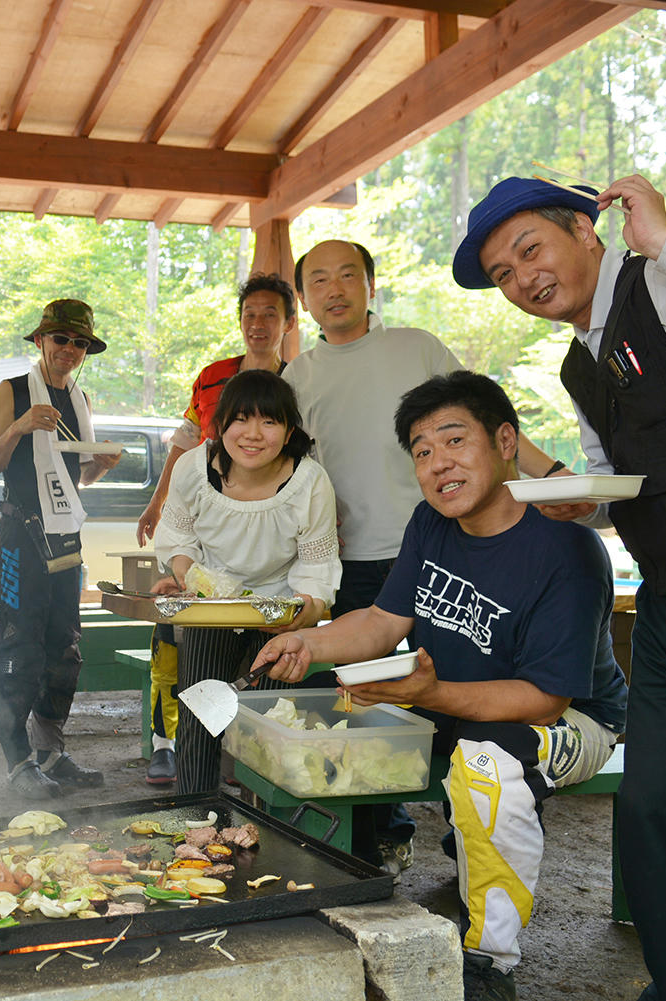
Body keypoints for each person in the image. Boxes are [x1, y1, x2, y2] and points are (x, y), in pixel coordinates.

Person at [454, 174, 666, 1001]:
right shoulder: (579, 359)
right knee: (655, 816)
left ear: (585, 228)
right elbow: (613, 477)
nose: (523, 279)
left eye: (530, 249)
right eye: (502, 273)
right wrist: (579, 502)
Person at [253, 371, 628, 1001]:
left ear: (506, 440)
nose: (437, 463)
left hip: (568, 719)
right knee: (315, 729)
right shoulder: (431, 524)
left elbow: (542, 699)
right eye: (422, 452)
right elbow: (380, 621)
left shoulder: (567, 547)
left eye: (454, 441)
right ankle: (318, 904)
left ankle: (489, 962)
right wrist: (309, 643)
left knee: (488, 762)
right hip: (454, 702)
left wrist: (423, 696)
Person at [284, 238, 561, 877]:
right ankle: (379, 837)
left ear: (370, 285)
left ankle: (473, 832)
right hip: (355, 568)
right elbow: (295, 474)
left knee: (460, 689)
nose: (334, 289)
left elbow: (487, 422)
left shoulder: (416, 346)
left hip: (445, 552)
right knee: (365, 705)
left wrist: (552, 477)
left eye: (347, 275)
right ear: (305, 299)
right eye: (318, 280)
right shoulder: (298, 378)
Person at [134, 272, 300, 785]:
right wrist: (158, 501)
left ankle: (246, 778)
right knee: (198, 664)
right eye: (250, 314)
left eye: (270, 314)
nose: (258, 324)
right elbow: (185, 445)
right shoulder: (210, 377)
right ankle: (195, 785)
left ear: (289, 322)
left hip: (275, 553)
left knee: (260, 681)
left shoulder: (304, 378)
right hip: (207, 552)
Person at [150, 369, 339, 794]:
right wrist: (189, 577)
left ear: (290, 430)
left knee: (268, 726)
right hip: (211, 607)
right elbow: (178, 535)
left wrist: (301, 617)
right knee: (200, 716)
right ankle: (192, 816)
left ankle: (263, 830)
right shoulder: (193, 469)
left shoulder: (310, 483)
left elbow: (317, 566)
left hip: (281, 610)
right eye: (241, 419)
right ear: (220, 425)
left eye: (269, 421)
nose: (253, 434)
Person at [0, 299, 123, 798]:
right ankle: (17, 763)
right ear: (40, 341)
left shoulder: (79, 399)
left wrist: (101, 465)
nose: (69, 350)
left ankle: (50, 752)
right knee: (21, 646)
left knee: (65, 648)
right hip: (21, 534)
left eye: (79, 342)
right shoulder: (13, 391)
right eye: (60, 339)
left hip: (65, 536)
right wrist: (19, 427)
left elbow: (74, 478)